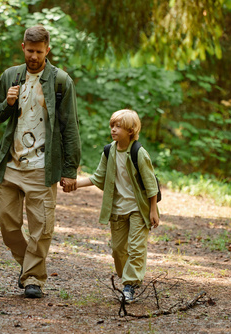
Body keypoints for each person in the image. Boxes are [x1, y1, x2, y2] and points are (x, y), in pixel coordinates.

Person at [0, 25, 81, 298]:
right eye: (30, 51)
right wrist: (7, 103)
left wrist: (70, 169)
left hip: (43, 166)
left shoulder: (61, 81)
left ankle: (33, 279)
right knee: (6, 221)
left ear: (47, 50)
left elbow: (70, 127)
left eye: (39, 52)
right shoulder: (10, 76)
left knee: (42, 228)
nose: (34, 57)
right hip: (11, 164)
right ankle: (30, 266)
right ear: (23, 47)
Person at [69, 109, 159, 303]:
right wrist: (74, 183)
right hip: (117, 209)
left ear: (131, 130)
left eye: (119, 126)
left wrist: (153, 210)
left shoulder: (138, 153)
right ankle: (130, 280)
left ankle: (129, 285)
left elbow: (151, 184)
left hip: (138, 209)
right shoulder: (109, 151)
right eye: (112, 126)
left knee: (136, 248)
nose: (114, 130)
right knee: (118, 251)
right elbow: (98, 177)